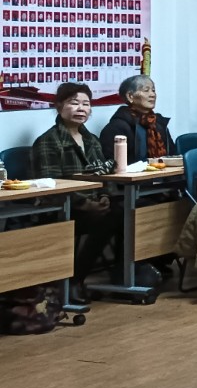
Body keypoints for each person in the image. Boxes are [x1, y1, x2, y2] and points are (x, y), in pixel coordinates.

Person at [30, 81, 119, 285]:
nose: (81, 109)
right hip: (62, 208)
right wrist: (86, 204)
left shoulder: (91, 140)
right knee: (111, 219)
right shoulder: (48, 141)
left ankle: (122, 275)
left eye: (86, 104)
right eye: (74, 103)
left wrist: (105, 196)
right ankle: (74, 281)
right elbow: (51, 186)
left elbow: (104, 174)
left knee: (127, 212)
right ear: (59, 106)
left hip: (93, 205)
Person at [99, 74, 175, 162]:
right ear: (130, 96)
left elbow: (173, 156)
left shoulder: (159, 123)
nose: (152, 94)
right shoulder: (116, 127)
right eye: (146, 90)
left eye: (153, 90)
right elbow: (112, 164)